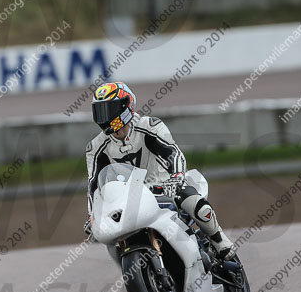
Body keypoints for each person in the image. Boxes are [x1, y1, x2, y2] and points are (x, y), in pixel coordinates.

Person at [84, 81, 235, 259]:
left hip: (165, 186)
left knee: (191, 199)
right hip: (130, 199)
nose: (105, 117)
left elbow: (174, 153)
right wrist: (93, 215)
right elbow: (94, 186)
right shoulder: (95, 147)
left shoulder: (149, 126)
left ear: (125, 106)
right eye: (100, 111)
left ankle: (218, 239)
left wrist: (177, 177)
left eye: (110, 110)